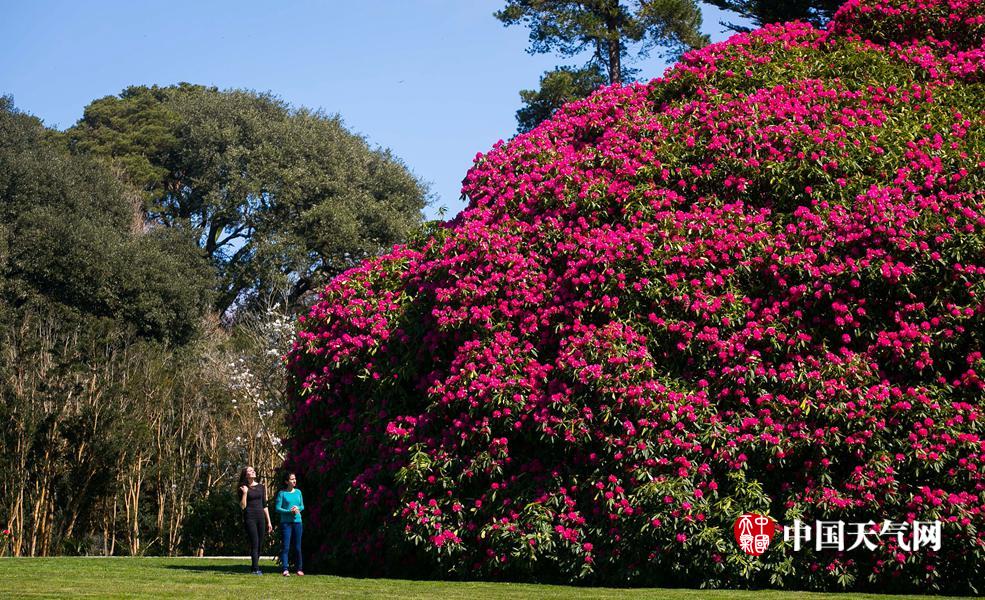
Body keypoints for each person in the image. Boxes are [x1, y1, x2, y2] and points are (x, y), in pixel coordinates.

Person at [238, 466, 273, 575]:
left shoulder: (261, 487)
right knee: (255, 542)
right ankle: (256, 569)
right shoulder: (243, 488)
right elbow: (243, 506)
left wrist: (269, 521)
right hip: (250, 517)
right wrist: (245, 493)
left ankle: (254, 567)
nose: (253, 471)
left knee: (260, 544)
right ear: (246, 475)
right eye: (250, 471)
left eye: (253, 470)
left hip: (261, 517)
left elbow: (264, 505)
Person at [275, 472, 305, 576]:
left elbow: (302, 506)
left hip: (297, 522)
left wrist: (298, 508)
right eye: (292, 479)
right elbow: (277, 508)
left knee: (297, 547)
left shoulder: (298, 492)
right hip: (286, 523)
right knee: (286, 547)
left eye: (295, 479)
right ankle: (285, 569)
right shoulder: (282, 493)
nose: (294, 481)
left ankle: (299, 569)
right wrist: (289, 512)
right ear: (286, 482)